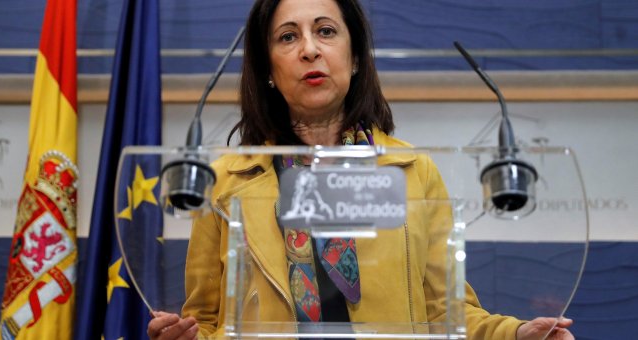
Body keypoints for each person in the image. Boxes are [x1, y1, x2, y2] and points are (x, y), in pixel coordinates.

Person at [148, 0, 575, 339]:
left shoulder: (413, 171)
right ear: (269, 71)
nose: (309, 49)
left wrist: (518, 334)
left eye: (326, 31)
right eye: (288, 37)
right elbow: (204, 319)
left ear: (354, 58)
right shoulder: (225, 181)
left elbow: (447, 313)